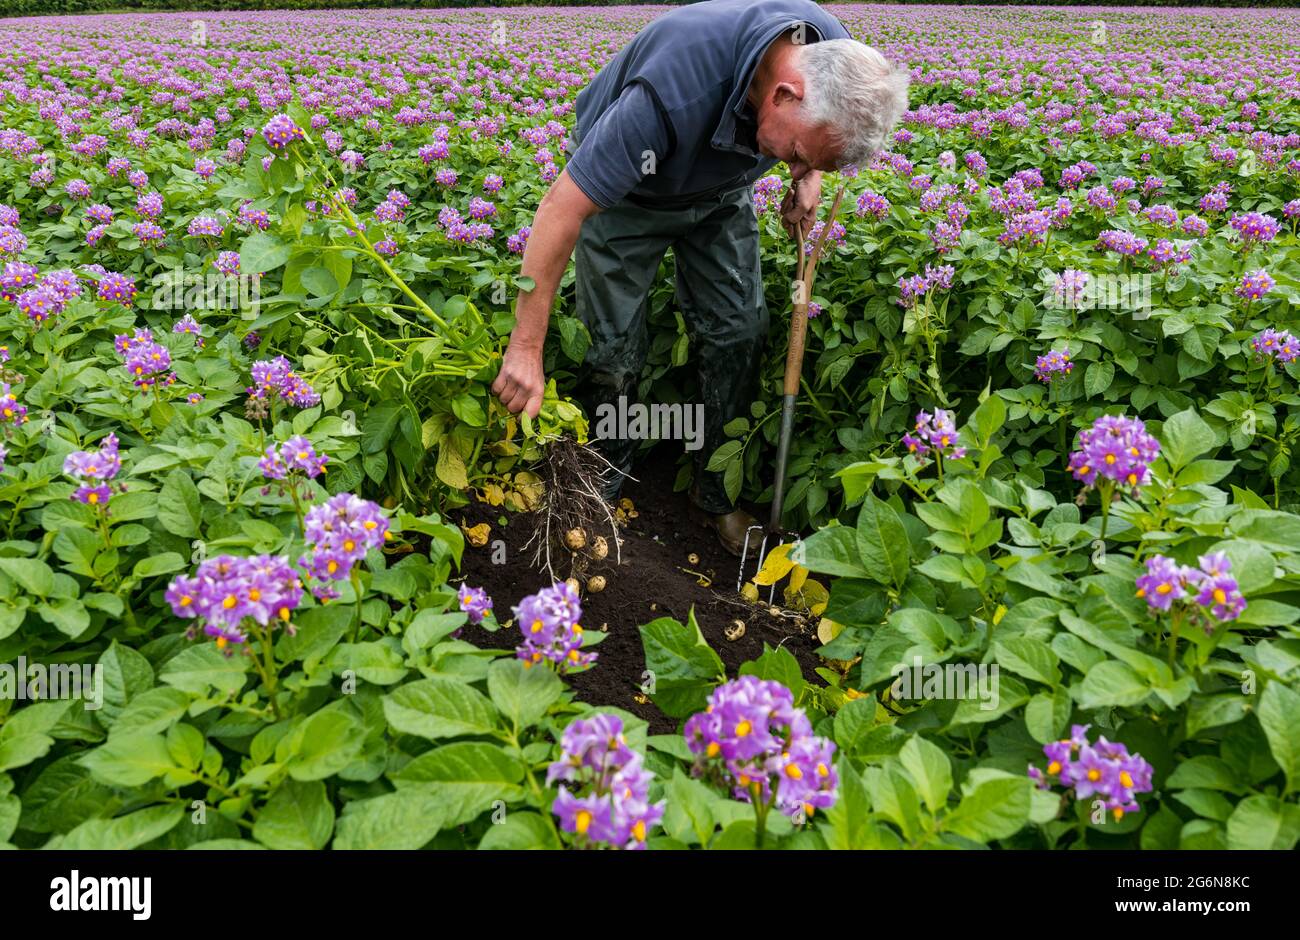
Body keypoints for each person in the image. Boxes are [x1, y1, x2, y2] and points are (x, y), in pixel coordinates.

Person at [492, 0, 909, 555]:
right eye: (795, 153)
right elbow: (559, 211)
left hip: (719, 193)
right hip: (629, 197)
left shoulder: (828, 49)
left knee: (739, 328)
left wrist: (807, 173)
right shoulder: (672, 90)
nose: (794, 162)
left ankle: (714, 494)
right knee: (613, 346)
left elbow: (818, 130)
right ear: (784, 95)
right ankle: (603, 483)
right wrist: (526, 346)